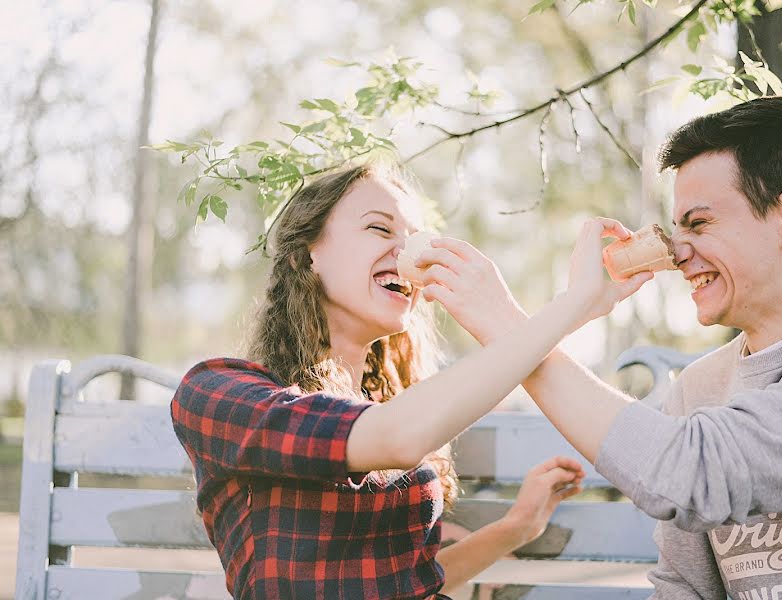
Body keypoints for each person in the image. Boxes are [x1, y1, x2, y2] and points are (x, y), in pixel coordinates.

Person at [415, 92, 782, 598]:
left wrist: (511, 332)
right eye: (676, 227)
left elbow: (694, 472)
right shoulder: (699, 388)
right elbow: (685, 584)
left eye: (700, 223)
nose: (677, 252)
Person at [169, 162, 655, 599]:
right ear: (307, 255)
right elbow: (397, 436)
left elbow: (412, 579)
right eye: (379, 229)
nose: (409, 254)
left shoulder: (392, 405)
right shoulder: (218, 394)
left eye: (416, 237)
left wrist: (515, 528)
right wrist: (573, 305)